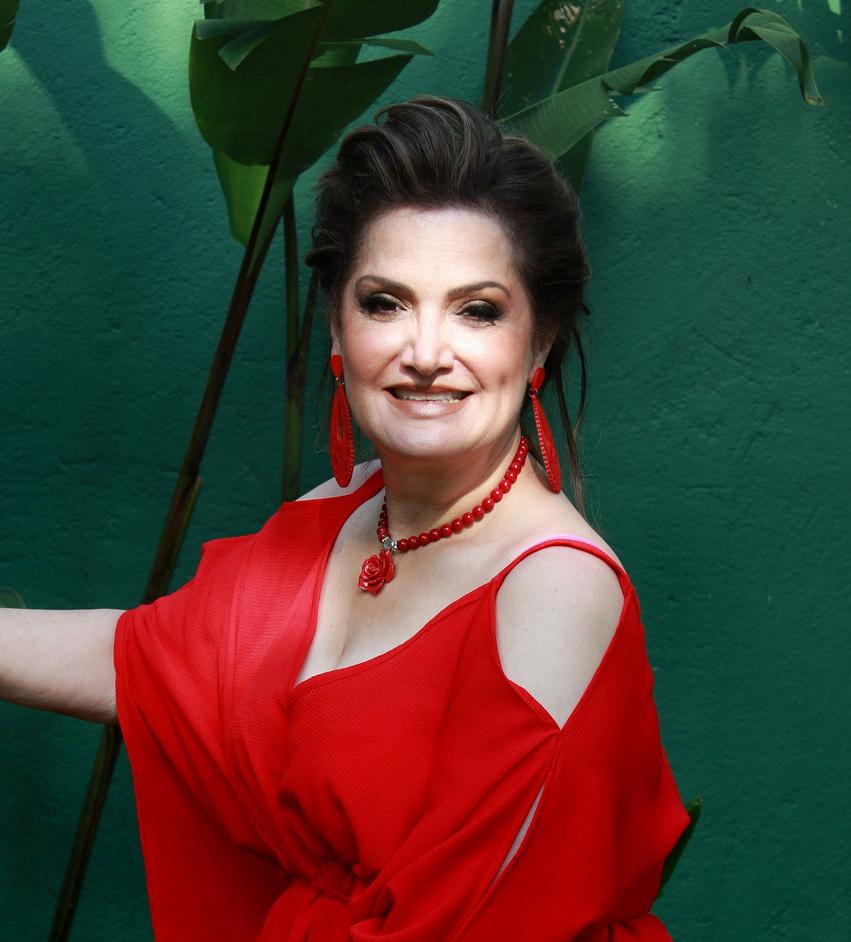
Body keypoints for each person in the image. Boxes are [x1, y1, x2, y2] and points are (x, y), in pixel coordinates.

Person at [0, 95, 690, 940]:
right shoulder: (339, 511)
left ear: (537, 341)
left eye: (476, 310)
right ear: (336, 327)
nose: (425, 353)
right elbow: (147, 665)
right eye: (385, 303)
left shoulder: (554, 591)